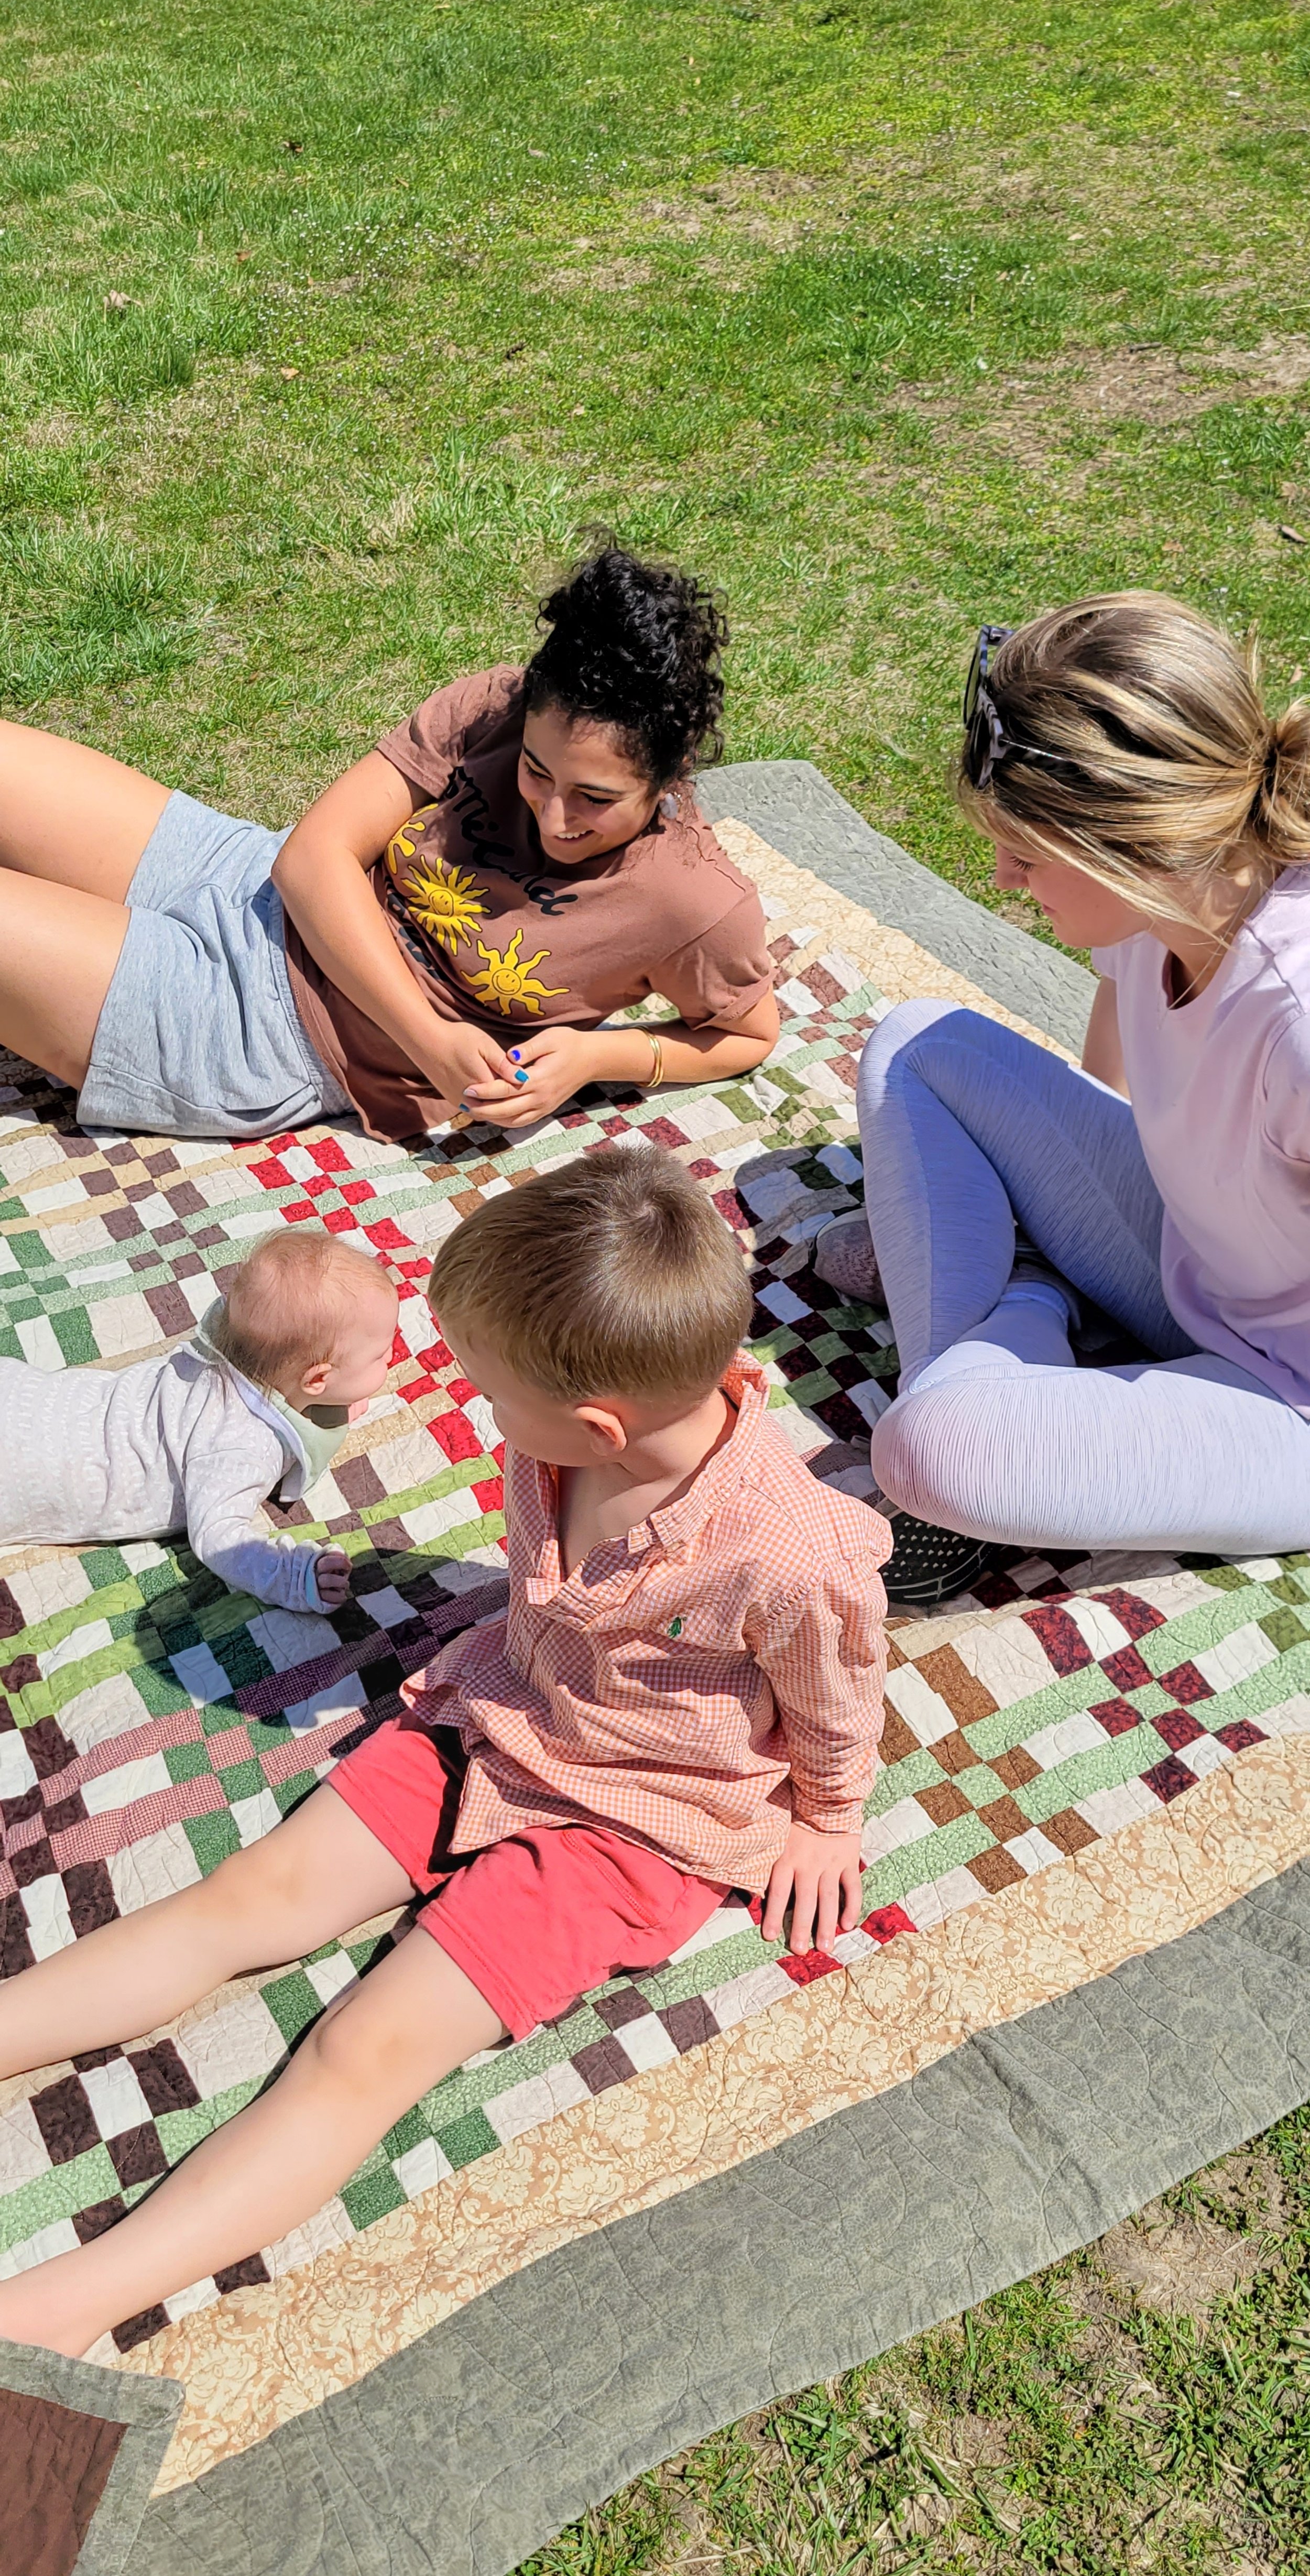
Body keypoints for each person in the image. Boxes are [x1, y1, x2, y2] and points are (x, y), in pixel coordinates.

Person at [0, 1148, 889, 2360]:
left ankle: (60, 2306)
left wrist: (830, 1817)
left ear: (595, 1426)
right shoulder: (568, 1441)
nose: (468, 1406)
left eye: (487, 1391)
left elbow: (838, 1697)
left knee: (366, 2051)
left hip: (639, 1825)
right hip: (504, 1715)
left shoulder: (791, 1553)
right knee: (249, 1901)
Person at [814, 592, 1310, 1604]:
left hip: (1290, 1401)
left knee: (935, 1451)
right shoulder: (1165, 895)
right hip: (1196, 1263)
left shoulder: (1296, 1021)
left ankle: (1016, 1303)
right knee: (918, 1041)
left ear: (1129, 836)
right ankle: (1031, 1296)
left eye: (1026, 855)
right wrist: (1073, 1196)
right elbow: (1113, 1083)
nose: (1002, 878)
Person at [0, 544, 779, 1144]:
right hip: (239, 874)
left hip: (260, 1031)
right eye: (537, 773)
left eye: (598, 799)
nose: (554, 815)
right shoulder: (495, 707)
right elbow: (311, 856)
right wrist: (430, 1037)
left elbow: (747, 1033)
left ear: (670, 776)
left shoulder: (697, 903)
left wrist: (595, 1056)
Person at [0, 1226, 397, 1611]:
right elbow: (219, 1537)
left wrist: (339, 1398)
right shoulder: (242, 1442)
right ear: (317, 1380)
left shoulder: (222, 1350)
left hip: (33, 1398)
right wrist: (294, 1575)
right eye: (380, 1355)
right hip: (27, 1466)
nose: (391, 1356)